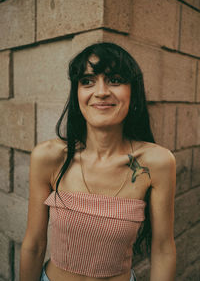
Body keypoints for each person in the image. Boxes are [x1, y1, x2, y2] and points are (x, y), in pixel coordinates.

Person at [20, 42, 176, 281]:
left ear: (133, 91)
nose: (101, 91)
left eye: (114, 80)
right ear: (77, 94)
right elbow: (34, 244)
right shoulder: (49, 157)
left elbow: (164, 249)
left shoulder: (157, 162)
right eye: (87, 81)